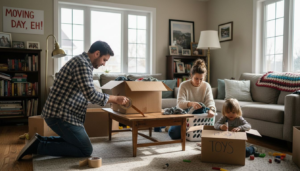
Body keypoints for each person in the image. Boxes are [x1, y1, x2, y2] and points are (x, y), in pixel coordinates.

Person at [17, 41, 129, 160]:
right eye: (104, 60)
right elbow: (91, 95)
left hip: (63, 115)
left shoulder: (82, 62)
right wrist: (115, 99)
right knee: (85, 149)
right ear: (97, 53)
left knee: (76, 142)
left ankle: (39, 140)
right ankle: (39, 146)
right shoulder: (82, 64)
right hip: (61, 116)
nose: (104, 64)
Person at [168, 59, 216, 139]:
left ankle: (189, 131)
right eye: (196, 78)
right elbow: (180, 104)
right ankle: (172, 126)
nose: (199, 81)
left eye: (201, 79)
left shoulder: (206, 86)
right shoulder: (184, 85)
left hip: (199, 118)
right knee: (173, 133)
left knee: (208, 133)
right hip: (185, 116)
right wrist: (192, 104)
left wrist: (211, 109)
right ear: (191, 75)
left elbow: (210, 102)